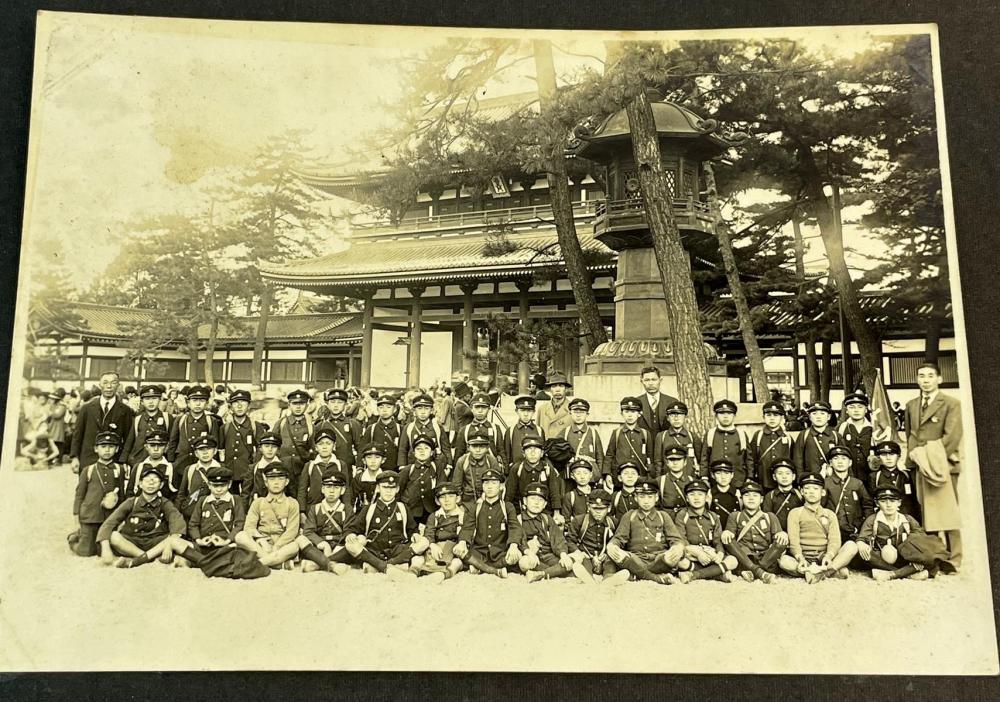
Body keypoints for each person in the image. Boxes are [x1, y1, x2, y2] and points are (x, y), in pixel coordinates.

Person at [904, 361, 963, 571]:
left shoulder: (951, 403)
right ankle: (935, 555)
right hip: (920, 464)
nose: (926, 380)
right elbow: (911, 434)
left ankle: (954, 558)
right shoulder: (911, 405)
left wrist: (931, 459)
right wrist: (913, 457)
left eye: (930, 376)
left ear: (939, 379)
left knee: (948, 510)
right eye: (921, 376)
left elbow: (952, 437)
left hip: (942, 464)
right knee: (926, 510)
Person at [96, 463, 186, 568]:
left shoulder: (165, 503)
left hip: (155, 541)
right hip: (133, 542)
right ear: (140, 484)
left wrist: (169, 545)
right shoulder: (131, 502)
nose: (151, 484)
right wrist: (105, 547)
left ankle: (140, 559)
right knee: (114, 536)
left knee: (172, 539)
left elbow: (177, 522)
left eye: (155, 481)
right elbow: (109, 523)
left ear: (161, 485)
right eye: (147, 480)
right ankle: (147, 558)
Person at [342, 471, 429, 580]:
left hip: (399, 551)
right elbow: (353, 528)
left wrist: (415, 534)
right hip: (376, 551)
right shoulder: (369, 509)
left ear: (397, 489)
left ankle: (386, 565)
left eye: (392, 488)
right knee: (351, 545)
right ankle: (386, 567)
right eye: (385, 487)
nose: (389, 491)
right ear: (378, 488)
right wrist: (350, 534)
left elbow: (411, 529)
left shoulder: (402, 508)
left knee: (424, 542)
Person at [779, 472, 859, 583]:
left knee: (852, 546)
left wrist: (829, 556)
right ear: (802, 492)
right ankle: (829, 571)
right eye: (807, 488)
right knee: (784, 561)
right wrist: (800, 558)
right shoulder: (795, 513)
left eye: (816, 488)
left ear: (822, 492)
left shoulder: (829, 514)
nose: (811, 491)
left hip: (823, 556)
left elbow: (834, 540)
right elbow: (794, 541)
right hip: (803, 557)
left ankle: (822, 573)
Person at [606, 477, 687, 585]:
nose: (646, 501)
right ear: (635, 497)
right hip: (636, 559)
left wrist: (677, 547)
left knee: (671, 557)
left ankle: (634, 575)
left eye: (650, 497)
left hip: (659, 560)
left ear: (656, 497)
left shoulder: (663, 516)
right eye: (642, 497)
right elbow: (619, 538)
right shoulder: (629, 516)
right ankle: (657, 579)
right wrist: (612, 545)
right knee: (616, 554)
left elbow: (676, 539)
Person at [453, 468, 522, 578]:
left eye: (494, 483)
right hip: (479, 551)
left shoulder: (507, 507)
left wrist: (513, 545)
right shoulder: (476, 507)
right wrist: (462, 542)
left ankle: (479, 566)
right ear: (483, 486)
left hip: (500, 552)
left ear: (501, 487)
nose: (489, 486)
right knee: (459, 551)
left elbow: (515, 527)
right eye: (486, 483)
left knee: (515, 556)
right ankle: (494, 569)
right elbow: (467, 528)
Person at [855, 486, 932, 581]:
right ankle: (906, 573)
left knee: (930, 555)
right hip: (882, 558)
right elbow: (861, 539)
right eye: (883, 501)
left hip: (904, 558)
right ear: (877, 503)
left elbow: (922, 539)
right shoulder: (872, 520)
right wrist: (861, 544)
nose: (888, 505)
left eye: (893, 501)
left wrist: (916, 554)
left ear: (899, 503)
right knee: (863, 553)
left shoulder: (907, 519)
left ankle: (892, 574)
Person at [175, 465, 247, 567]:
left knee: (237, 552)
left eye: (223, 485)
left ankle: (205, 562)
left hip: (225, 545)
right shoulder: (203, 500)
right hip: (204, 545)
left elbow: (239, 524)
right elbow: (193, 524)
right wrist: (199, 540)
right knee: (177, 545)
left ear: (229, 484)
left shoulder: (235, 500)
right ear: (209, 485)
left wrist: (227, 540)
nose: (219, 489)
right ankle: (208, 562)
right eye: (215, 486)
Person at [234, 464, 301, 569]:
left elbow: (292, 531)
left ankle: (254, 565)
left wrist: (277, 546)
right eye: (272, 479)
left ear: (286, 482)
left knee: (295, 546)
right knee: (240, 536)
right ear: (266, 482)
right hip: (261, 545)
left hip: (282, 544)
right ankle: (277, 564)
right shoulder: (258, 502)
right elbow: (249, 527)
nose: (276, 482)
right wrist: (261, 540)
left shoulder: (292, 503)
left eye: (280, 478)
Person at [71, 431, 126, 557]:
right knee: (85, 552)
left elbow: (122, 495)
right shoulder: (88, 470)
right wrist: (76, 517)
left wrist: (122, 518)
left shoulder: (119, 469)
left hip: (109, 517)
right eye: (103, 446)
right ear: (96, 449)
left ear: (116, 449)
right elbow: (79, 495)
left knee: (106, 551)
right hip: (90, 516)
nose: (107, 450)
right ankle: (73, 539)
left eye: (111, 447)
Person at [721, 479, 787, 584]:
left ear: (761, 499)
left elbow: (778, 538)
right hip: (744, 558)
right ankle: (760, 573)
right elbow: (729, 535)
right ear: (741, 499)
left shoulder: (770, 516)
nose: (751, 498)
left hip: (766, 558)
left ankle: (756, 570)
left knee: (782, 540)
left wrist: (782, 534)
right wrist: (727, 532)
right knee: (727, 540)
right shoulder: (735, 516)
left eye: (755, 496)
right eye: (747, 495)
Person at [672, 479, 738, 583]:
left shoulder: (713, 516)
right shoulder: (682, 515)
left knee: (733, 561)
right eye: (692, 494)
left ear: (707, 497)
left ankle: (694, 574)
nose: (696, 498)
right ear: (687, 499)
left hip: (709, 553)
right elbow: (681, 539)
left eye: (700, 494)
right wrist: (697, 553)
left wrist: (719, 554)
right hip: (691, 553)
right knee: (681, 562)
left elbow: (717, 540)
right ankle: (716, 574)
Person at [69, 371, 134, 471]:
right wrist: (74, 457)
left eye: (113, 382)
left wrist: (124, 460)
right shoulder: (87, 408)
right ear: (100, 385)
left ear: (118, 385)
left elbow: (128, 439)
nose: (109, 386)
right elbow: (77, 434)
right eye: (105, 382)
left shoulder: (125, 410)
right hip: (88, 460)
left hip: (114, 461)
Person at [296, 468, 353, 575]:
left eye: (336, 487)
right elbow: (308, 531)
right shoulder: (315, 508)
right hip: (320, 548)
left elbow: (348, 530)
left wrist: (339, 546)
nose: (331, 491)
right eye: (328, 487)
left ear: (343, 490)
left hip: (339, 548)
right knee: (301, 539)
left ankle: (318, 564)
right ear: (322, 489)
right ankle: (332, 565)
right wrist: (323, 544)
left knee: (355, 542)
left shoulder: (346, 509)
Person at [166, 385, 221, 492]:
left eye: (202, 400)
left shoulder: (211, 421)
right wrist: (171, 463)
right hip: (181, 464)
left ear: (206, 403)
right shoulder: (180, 420)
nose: (198, 403)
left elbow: (215, 445)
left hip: (202, 464)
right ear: (188, 402)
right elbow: (173, 442)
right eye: (194, 400)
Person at [515, 483, 574, 582]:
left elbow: (558, 539)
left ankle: (541, 574)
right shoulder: (519, 520)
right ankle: (554, 572)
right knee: (524, 563)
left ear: (545, 505)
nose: (536, 503)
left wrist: (563, 555)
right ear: (525, 501)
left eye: (540, 500)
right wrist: (529, 551)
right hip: (532, 556)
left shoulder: (547, 519)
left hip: (548, 555)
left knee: (571, 560)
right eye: (533, 498)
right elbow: (519, 541)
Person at [822, 445, 875, 544]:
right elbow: (820, 508)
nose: (840, 461)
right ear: (830, 463)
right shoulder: (826, 483)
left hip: (856, 531)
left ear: (850, 463)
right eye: (835, 458)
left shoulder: (857, 483)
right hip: (834, 531)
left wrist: (863, 527)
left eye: (844, 458)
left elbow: (868, 506)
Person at [565, 489, 619, 584]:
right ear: (588, 507)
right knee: (584, 563)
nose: (598, 512)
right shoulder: (579, 521)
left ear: (609, 508)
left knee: (610, 563)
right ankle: (588, 578)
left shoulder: (613, 523)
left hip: (605, 557)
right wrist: (578, 552)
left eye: (602, 509)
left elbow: (618, 540)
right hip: (586, 555)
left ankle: (608, 579)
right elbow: (569, 540)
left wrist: (608, 553)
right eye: (595, 509)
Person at [220, 389, 266, 498]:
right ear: (230, 406)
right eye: (236, 403)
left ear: (249, 405)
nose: (239, 406)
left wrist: (254, 467)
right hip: (229, 471)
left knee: (247, 499)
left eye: (243, 403)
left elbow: (261, 449)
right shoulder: (225, 428)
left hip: (248, 472)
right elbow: (220, 450)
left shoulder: (255, 426)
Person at [421, 483, 470, 583]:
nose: (447, 500)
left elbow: (467, 533)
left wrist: (462, 543)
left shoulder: (463, 516)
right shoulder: (434, 516)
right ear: (437, 501)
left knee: (457, 562)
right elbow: (429, 532)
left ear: (457, 499)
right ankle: (414, 572)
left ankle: (444, 574)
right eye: (442, 497)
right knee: (419, 559)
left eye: (451, 496)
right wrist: (432, 544)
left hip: (454, 550)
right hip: (436, 549)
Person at [505, 434, 563, 515]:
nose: (533, 453)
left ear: (542, 453)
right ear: (523, 453)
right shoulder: (517, 468)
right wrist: (509, 513)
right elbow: (509, 495)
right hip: (522, 511)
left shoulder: (547, 468)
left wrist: (557, 512)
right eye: (529, 449)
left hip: (544, 511)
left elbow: (554, 493)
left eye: (536, 449)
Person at [397, 435, 448, 525]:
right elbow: (398, 490)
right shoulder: (408, 469)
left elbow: (442, 488)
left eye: (426, 448)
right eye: (418, 449)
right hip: (412, 511)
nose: (422, 451)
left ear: (432, 452)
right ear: (414, 453)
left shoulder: (436, 467)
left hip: (431, 510)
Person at [271, 389, 316, 491]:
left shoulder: (310, 426)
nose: (298, 407)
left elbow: (315, 448)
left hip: (302, 471)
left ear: (307, 405)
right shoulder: (281, 423)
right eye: (295, 404)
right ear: (289, 405)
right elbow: (272, 443)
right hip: (283, 469)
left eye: (302, 403)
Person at [397, 392, 452, 473]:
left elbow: (445, 448)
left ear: (431, 410)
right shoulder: (409, 428)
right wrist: (403, 467)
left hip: (434, 467)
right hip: (413, 468)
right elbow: (403, 449)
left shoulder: (437, 427)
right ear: (414, 410)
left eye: (426, 408)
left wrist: (448, 465)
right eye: (419, 408)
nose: (423, 412)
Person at [699, 400, 749, 487]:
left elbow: (748, 458)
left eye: (729, 413)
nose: (725, 416)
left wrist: (750, 477)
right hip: (715, 481)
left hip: (737, 481)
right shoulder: (710, 434)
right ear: (716, 416)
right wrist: (704, 477)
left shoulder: (741, 434)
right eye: (722, 413)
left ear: (734, 416)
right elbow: (705, 457)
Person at [604, 397, 654, 482]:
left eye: (633, 412)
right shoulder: (617, 433)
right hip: (620, 477)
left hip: (640, 476)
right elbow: (609, 455)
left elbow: (650, 457)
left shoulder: (645, 434)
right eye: (626, 412)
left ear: (639, 414)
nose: (630, 415)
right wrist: (607, 474)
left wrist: (650, 474)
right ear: (621, 413)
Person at [315, 388, 363, 475]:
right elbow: (315, 448)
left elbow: (360, 448)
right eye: (332, 402)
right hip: (325, 468)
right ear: (327, 404)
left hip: (346, 468)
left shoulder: (352, 424)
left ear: (345, 404)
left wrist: (359, 467)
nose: (336, 405)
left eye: (340, 402)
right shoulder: (320, 425)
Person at [746, 401, 793, 491]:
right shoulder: (758, 436)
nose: (772, 418)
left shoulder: (787, 437)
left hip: (783, 481)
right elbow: (751, 458)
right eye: (768, 415)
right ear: (763, 417)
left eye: (776, 415)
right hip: (763, 480)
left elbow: (792, 459)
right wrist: (751, 476)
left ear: (782, 418)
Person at [122, 385, 173, 467]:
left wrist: (170, 461)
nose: (151, 402)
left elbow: (172, 442)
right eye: (147, 399)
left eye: (154, 398)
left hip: (159, 462)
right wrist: (124, 461)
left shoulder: (167, 418)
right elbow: (129, 442)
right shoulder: (137, 419)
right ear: (142, 402)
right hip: (138, 461)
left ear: (159, 400)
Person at [297, 429, 344, 517]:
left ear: (334, 446)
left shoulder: (340, 465)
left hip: (336, 509)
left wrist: (347, 509)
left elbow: (346, 489)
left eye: (328, 443)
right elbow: (302, 490)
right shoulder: (310, 465)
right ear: (316, 447)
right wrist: (302, 511)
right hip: (313, 510)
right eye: (321, 444)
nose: (324, 447)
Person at [558, 398, 605, 484]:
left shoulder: (593, 433)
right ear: (570, 413)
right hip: (570, 477)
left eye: (582, 412)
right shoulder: (564, 432)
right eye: (575, 412)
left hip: (590, 477)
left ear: (587, 414)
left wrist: (600, 476)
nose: (578, 415)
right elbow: (557, 456)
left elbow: (600, 457)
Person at [868, 440, 920, 519]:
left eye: (892, 454)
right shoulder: (874, 477)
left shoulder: (906, 476)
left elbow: (912, 502)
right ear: (878, 457)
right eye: (884, 455)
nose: (888, 458)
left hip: (905, 518)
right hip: (883, 518)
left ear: (898, 456)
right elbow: (870, 502)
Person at [176, 435, 222, 521]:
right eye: (201, 450)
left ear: (215, 451)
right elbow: (181, 494)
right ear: (196, 453)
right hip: (191, 515)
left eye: (209, 449)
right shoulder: (190, 469)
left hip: (214, 515)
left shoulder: (222, 469)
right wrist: (177, 516)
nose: (205, 453)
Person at [451, 429, 503, 505]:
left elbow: (498, 485)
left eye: (482, 447)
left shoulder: (491, 461)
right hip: (466, 501)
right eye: (474, 446)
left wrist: (484, 497)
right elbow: (456, 486)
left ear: (487, 448)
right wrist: (459, 504)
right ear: (468, 447)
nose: (478, 450)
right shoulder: (462, 461)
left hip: (488, 499)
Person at [792, 400, 842, 477]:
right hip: (810, 480)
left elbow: (843, 458)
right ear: (810, 417)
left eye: (822, 414)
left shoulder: (835, 435)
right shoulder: (804, 435)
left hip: (832, 480)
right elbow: (798, 460)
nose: (818, 417)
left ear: (828, 417)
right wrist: (800, 479)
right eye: (814, 414)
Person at [453, 392, 505, 466]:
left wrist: (505, 473)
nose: (480, 411)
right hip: (470, 471)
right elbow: (458, 456)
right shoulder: (465, 430)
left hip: (491, 470)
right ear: (471, 409)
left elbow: (501, 451)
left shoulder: (495, 428)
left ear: (489, 409)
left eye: (483, 407)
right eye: (477, 407)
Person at [652, 400, 700, 478]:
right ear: (667, 418)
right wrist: (659, 480)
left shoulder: (692, 436)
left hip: (689, 479)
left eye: (680, 415)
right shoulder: (661, 436)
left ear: (685, 417)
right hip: (668, 480)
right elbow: (658, 462)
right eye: (672, 415)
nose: (676, 418)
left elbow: (700, 460)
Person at [125, 429, 175, 499]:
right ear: (146, 447)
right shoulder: (139, 467)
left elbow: (174, 494)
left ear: (166, 447)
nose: (156, 449)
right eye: (152, 445)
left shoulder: (171, 468)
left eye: (160, 445)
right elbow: (130, 492)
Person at [837, 392, 874, 481]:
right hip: (848, 473)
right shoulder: (842, 427)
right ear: (846, 410)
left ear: (866, 410)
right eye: (852, 407)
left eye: (860, 407)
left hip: (869, 473)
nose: (856, 410)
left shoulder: (873, 428)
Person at [360, 395, 402, 471]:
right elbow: (362, 449)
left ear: (395, 409)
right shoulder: (371, 429)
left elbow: (404, 451)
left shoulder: (400, 429)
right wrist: (359, 467)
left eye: (388, 407)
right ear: (377, 409)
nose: (384, 410)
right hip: (375, 470)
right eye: (381, 407)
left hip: (395, 470)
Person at [243, 431, 285, 506]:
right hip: (258, 508)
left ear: (278, 449)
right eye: (266, 446)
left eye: (274, 446)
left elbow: (291, 493)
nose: (270, 449)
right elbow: (246, 493)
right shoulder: (254, 468)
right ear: (260, 448)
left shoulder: (284, 467)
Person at [636, 365, 680, 436]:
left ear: (660, 380)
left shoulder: (672, 402)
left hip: (666, 445)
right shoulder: (637, 402)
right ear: (642, 381)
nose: (650, 383)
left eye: (654, 379)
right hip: (643, 445)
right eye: (647, 380)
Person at [761, 460, 803, 531]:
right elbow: (766, 518)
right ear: (774, 477)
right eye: (780, 473)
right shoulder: (770, 496)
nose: (784, 477)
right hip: (777, 534)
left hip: (798, 533)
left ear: (793, 476)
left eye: (787, 473)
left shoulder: (800, 495)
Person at [504, 395, 545, 467]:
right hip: (515, 471)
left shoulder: (539, 430)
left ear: (534, 412)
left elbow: (542, 453)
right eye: (522, 410)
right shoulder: (511, 430)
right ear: (516, 411)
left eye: (529, 411)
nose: (526, 414)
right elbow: (507, 454)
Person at [657, 446, 697, 511]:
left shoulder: (692, 481)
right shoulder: (660, 481)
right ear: (667, 462)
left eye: (679, 459)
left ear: (685, 462)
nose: (675, 463)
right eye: (671, 460)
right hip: (666, 519)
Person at [349, 445, 386, 512]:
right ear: (364, 461)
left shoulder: (385, 479)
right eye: (369, 457)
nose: (373, 461)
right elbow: (351, 501)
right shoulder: (358, 479)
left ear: (383, 460)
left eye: (377, 457)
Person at [560, 456, 597, 521]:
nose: (582, 477)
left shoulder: (597, 494)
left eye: (585, 473)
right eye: (578, 473)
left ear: (591, 475)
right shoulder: (570, 496)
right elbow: (566, 519)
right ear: (572, 476)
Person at [537, 373, 573, 438]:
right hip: (545, 447)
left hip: (565, 447)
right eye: (554, 386)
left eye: (561, 386)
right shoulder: (542, 409)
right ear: (550, 389)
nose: (557, 389)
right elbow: (537, 433)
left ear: (566, 388)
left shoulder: (573, 409)